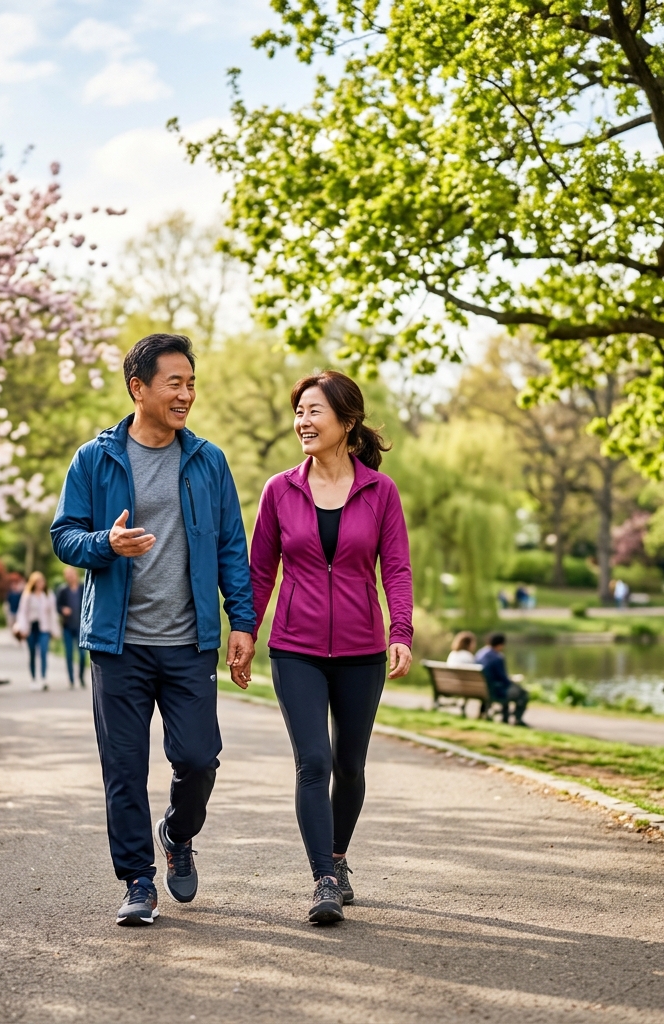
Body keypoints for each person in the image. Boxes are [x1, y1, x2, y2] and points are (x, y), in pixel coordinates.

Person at [51, 333, 255, 927]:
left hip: (189, 642)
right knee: (123, 768)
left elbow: (229, 548)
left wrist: (240, 621)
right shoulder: (95, 459)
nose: (187, 393)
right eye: (175, 382)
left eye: (191, 383)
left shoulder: (208, 460)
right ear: (138, 387)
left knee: (199, 759)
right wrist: (104, 545)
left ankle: (178, 831)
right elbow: (65, 535)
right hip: (118, 644)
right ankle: (138, 880)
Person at [250, 370, 413, 926]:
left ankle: (339, 858)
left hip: (361, 650)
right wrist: (244, 632)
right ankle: (323, 877)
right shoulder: (279, 489)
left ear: (347, 422)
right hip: (295, 647)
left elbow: (396, 567)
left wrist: (400, 632)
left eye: (314, 411)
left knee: (350, 763)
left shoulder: (379, 491)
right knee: (313, 761)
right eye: (298, 412)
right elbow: (259, 572)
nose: (303, 421)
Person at [13, 571, 58, 689]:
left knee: (43, 652)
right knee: (32, 653)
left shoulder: (48, 595)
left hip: (44, 628)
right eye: (37, 582)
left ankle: (43, 679)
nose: (40, 584)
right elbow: (22, 613)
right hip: (31, 628)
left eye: (41, 581)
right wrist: (23, 628)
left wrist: (55, 630)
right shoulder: (27, 596)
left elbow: (52, 613)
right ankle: (33, 679)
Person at [475, 633, 529, 725]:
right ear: (500, 644)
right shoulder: (498, 657)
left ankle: (504, 717)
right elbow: (504, 679)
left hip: (479, 689)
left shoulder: (479, 653)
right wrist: (513, 680)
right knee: (523, 693)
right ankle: (517, 719)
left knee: (507, 689)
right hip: (494, 691)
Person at [56, 566, 87, 687]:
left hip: (81, 627)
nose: (70, 577)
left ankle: (81, 677)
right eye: (67, 575)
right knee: (69, 654)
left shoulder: (83, 588)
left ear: (76, 574)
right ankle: (71, 680)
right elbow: (57, 606)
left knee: (82, 654)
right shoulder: (62, 590)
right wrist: (62, 609)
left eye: (71, 574)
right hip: (67, 627)